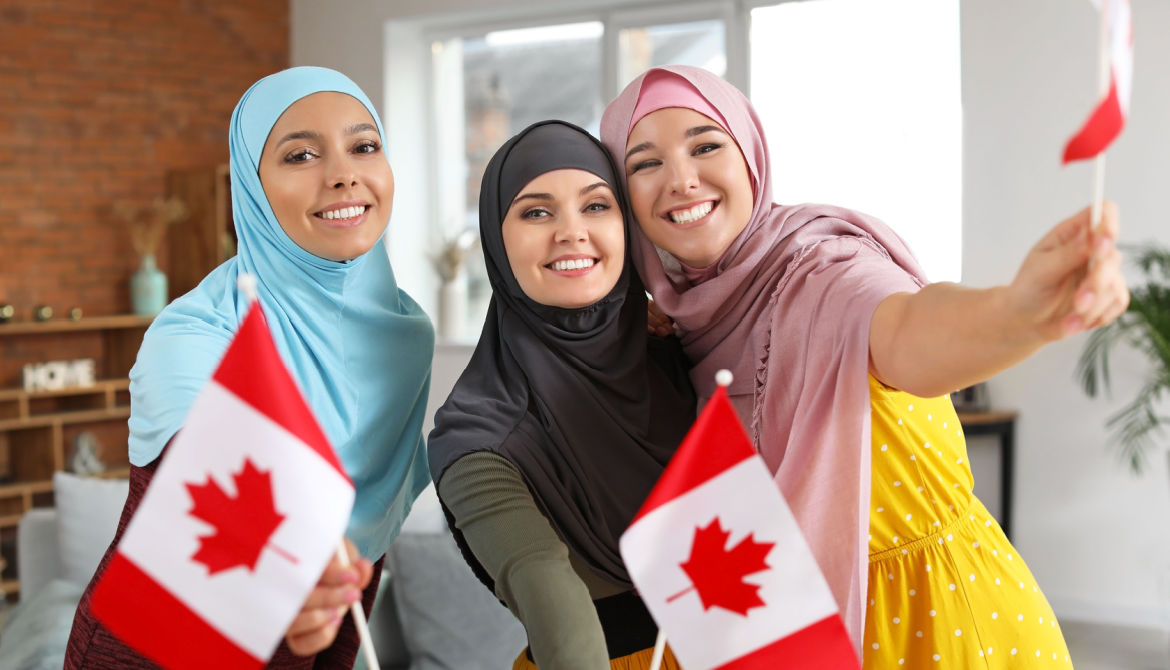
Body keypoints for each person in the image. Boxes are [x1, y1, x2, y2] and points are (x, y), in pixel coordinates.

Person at [600, 65, 1128, 668]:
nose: (682, 180)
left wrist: (1015, 314)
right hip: (788, 633)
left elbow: (905, 331)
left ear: (749, 152)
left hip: (936, 621)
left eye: (706, 145)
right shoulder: (674, 323)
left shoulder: (823, 267)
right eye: (645, 164)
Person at [65, 66, 435, 668]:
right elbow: (212, 494)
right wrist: (287, 574)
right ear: (252, 186)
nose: (343, 173)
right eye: (300, 155)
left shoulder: (407, 332)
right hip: (170, 634)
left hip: (329, 624)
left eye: (363, 146)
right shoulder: (194, 333)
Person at [427, 120, 697, 669]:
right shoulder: (478, 437)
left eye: (597, 206)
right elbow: (543, 581)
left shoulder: (691, 353)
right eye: (536, 212)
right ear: (496, 243)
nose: (571, 232)